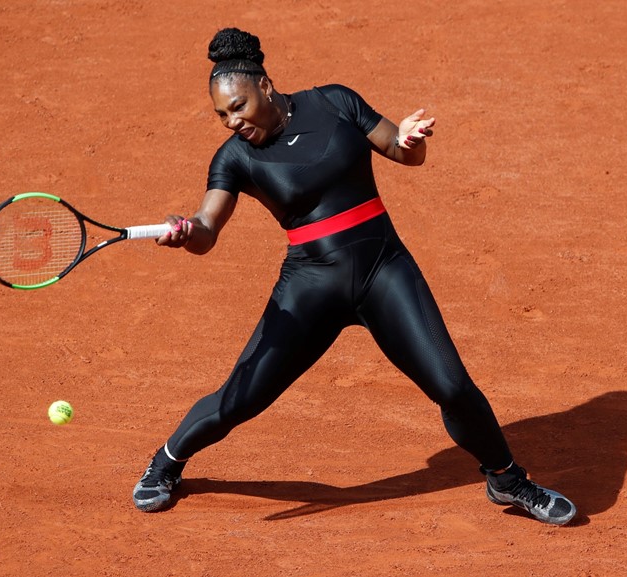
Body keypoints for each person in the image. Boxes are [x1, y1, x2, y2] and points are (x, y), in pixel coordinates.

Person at [133, 27, 577, 526]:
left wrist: (411, 139)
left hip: (384, 269)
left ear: (266, 85)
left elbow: (404, 153)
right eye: (221, 115)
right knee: (240, 399)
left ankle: (507, 480)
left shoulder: (335, 102)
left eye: (238, 106)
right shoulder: (235, 159)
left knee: (453, 386)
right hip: (310, 288)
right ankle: (167, 460)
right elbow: (208, 229)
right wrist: (186, 231)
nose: (232, 122)